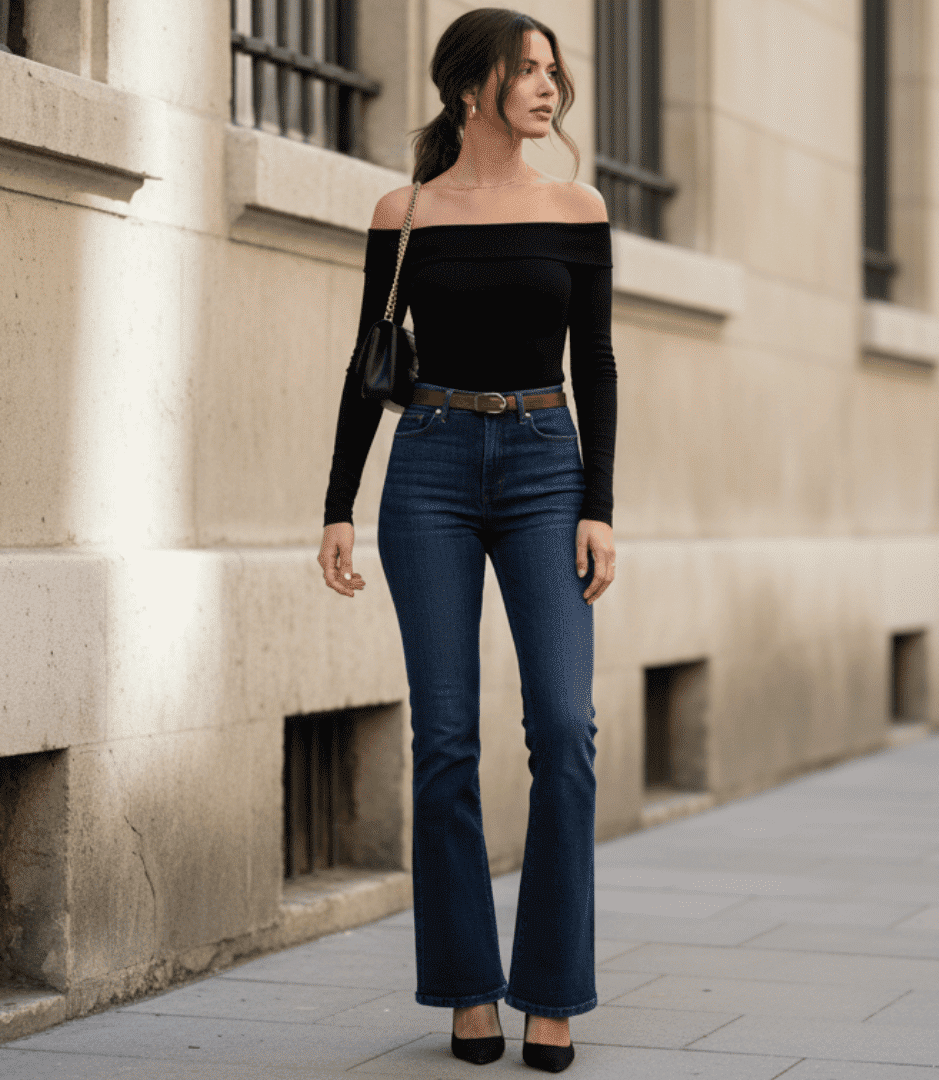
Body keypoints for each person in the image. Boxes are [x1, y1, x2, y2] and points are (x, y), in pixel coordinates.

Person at [316, 7, 616, 1073]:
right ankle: (465, 991)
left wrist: (600, 505)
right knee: (444, 744)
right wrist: (338, 504)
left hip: (545, 461)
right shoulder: (404, 214)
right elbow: (368, 360)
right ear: (470, 88)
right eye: (527, 70)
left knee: (566, 733)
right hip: (431, 468)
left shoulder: (577, 209)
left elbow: (601, 365)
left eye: (551, 70)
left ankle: (552, 992)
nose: (548, 87)